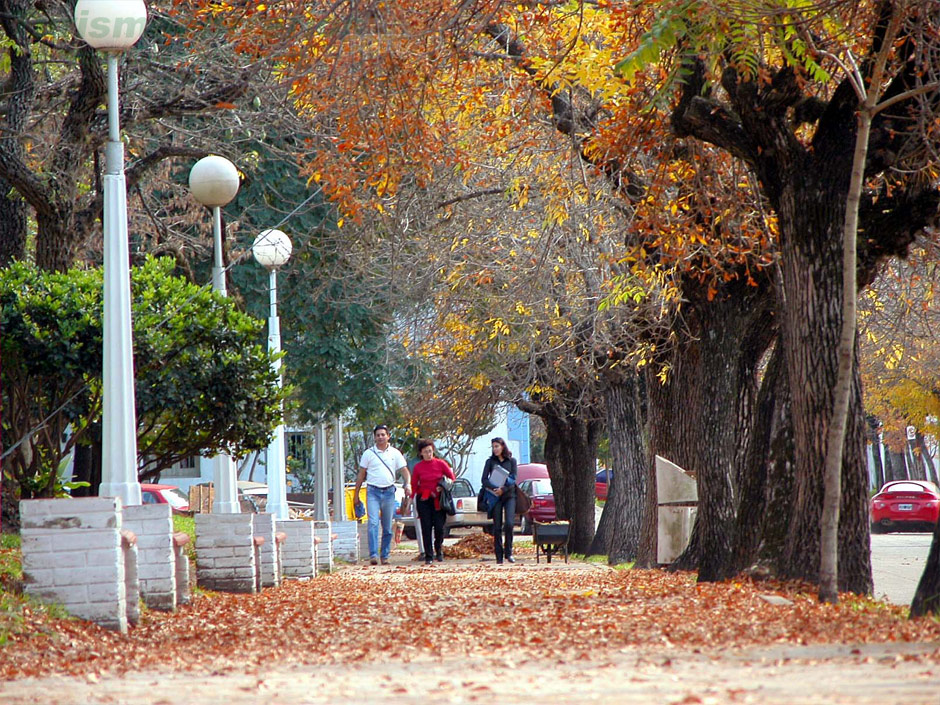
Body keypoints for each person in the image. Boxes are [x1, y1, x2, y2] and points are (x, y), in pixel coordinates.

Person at [354, 425, 411, 565]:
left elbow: (404, 471)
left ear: (388, 436)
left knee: (387, 525)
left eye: (383, 435)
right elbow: (361, 474)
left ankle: (384, 555)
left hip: (389, 492)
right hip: (373, 490)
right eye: (378, 435)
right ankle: (373, 554)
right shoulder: (368, 453)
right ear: (374, 437)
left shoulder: (395, 453)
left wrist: (408, 484)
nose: (380, 437)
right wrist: (356, 494)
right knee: (373, 523)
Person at [411, 438, 456, 565]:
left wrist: (442, 487)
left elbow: (452, 478)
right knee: (426, 527)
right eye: (426, 452)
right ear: (421, 453)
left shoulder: (441, 463)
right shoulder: (418, 467)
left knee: (439, 527)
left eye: (430, 451)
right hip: (424, 499)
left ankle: (439, 549)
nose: (428, 454)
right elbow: (414, 484)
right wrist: (410, 499)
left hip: (438, 499)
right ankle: (429, 555)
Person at [481, 437, 517, 564]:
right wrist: (494, 488)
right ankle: (499, 555)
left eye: (497, 446)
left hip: (509, 495)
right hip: (495, 496)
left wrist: (504, 489)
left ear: (503, 446)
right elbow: (484, 479)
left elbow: (514, 479)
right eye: (493, 447)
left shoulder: (511, 461)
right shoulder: (490, 462)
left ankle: (509, 552)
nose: (495, 449)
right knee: (497, 527)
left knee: (509, 524)